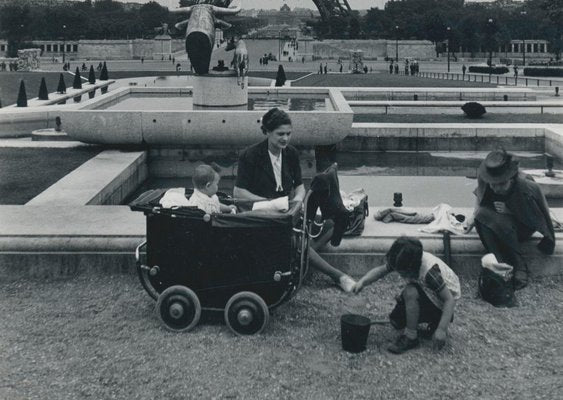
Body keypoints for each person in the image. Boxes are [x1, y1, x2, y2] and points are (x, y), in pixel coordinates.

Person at [234, 108, 356, 292]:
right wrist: (269, 203)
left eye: (288, 134)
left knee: (330, 225)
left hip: (287, 211)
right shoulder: (249, 155)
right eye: (280, 134)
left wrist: (299, 200)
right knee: (296, 241)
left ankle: (297, 263)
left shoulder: (290, 153)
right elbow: (238, 193)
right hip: (261, 215)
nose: (285, 138)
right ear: (267, 132)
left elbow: (299, 186)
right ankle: (338, 276)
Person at [464, 149, 555, 289]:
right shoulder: (486, 179)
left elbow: (538, 218)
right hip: (497, 223)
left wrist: (511, 211)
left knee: (499, 222)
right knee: (481, 215)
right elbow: (480, 198)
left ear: (511, 179)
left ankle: (519, 264)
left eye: (500, 184)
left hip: (521, 226)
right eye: (492, 184)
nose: (495, 188)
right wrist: (472, 217)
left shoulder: (527, 186)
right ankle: (499, 263)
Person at [353, 237, 460, 354]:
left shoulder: (430, 273)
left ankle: (411, 337)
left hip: (441, 303)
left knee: (410, 291)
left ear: (411, 267)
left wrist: (442, 329)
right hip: (429, 292)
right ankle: (428, 319)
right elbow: (381, 271)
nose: (398, 273)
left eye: (401, 271)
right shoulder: (406, 259)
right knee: (396, 321)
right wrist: (362, 282)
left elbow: (449, 299)